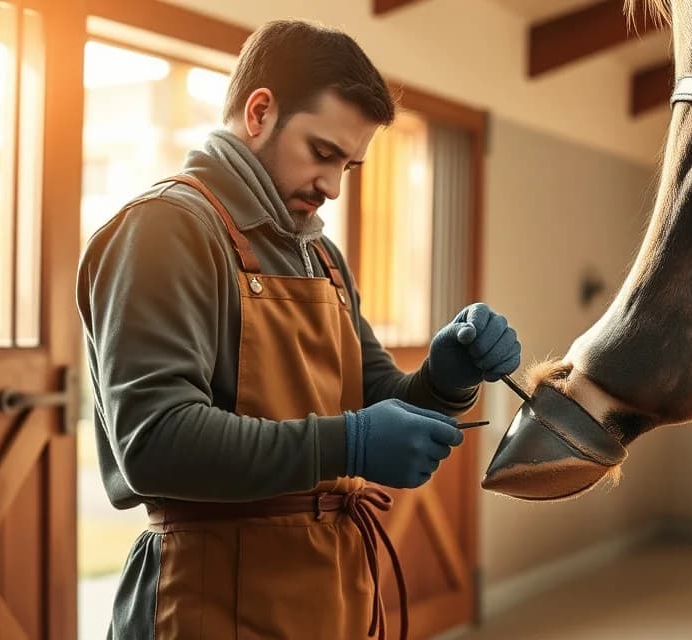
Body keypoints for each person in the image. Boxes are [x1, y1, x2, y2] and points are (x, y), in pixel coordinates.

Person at [76, 19, 520, 640]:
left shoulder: (321, 256)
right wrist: (351, 446)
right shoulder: (165, 230)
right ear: (259, 112)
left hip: (329, 593)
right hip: (209, 600)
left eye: (350, 166)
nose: (333, 187)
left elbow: (373, 400)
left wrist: (445, 381)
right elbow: (156, 444)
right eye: (322, 152)